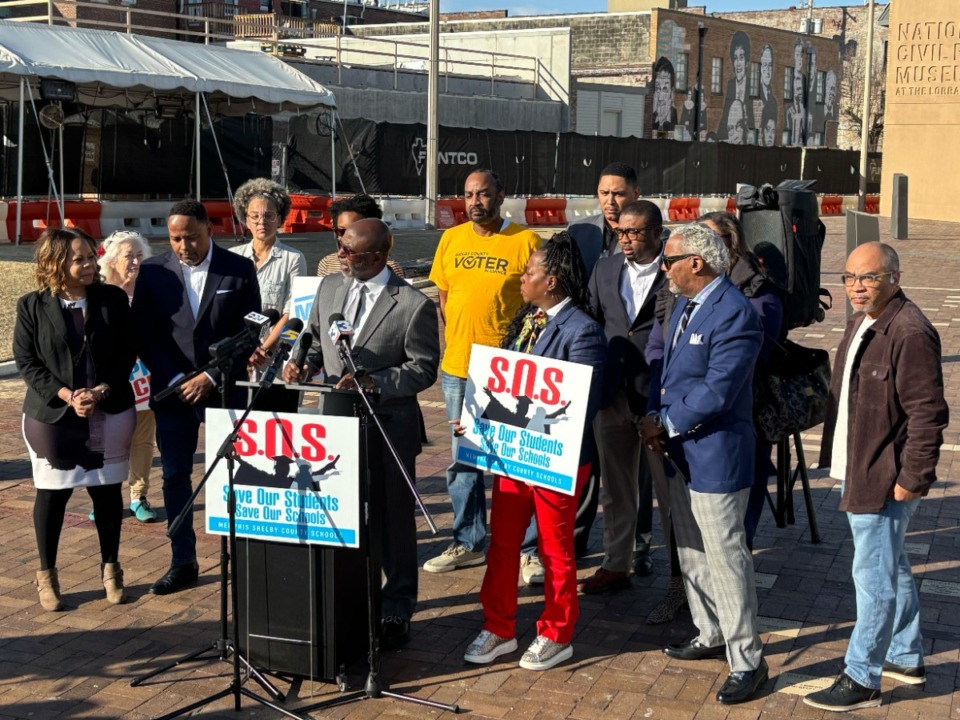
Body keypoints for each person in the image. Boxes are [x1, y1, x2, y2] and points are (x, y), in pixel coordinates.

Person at [803, 243, 948, 712]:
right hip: (860, 467)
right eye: (849, 278)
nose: (857, 287)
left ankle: (862, 676)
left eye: (869, 278)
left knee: (873, 577)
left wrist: (913, 477)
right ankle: (905, 656)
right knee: (890, 565)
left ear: (895, 277)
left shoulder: (909, 331)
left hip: (885, 477)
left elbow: (928, 414)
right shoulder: (863, 322)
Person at [284, 218, 439, 650]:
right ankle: (350, 594)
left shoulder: (411, 304)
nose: (342, 257)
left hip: (388, 424)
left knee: (391, 519)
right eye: (341, 247)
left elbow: (423, 368)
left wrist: (375, 382)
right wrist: (301, 362)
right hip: (335, 420)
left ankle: (397, 604)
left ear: (379, 256)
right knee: (342, 511)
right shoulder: (331, 287)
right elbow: (314, 340)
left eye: (351, 252)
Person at [462, 233, 606, 671]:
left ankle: (556, 633)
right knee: (503, 545)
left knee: (555, 550)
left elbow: (581, 404)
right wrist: (476, 418)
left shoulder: (583, 331)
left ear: (554, 280)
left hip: (555, 461)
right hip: (512, 458)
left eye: (530, 273)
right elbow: (502, 386)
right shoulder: (527, 319)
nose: (521, 278)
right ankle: (499, 627)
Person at [640, 223, 768, 706]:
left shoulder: (734, 313)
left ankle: (748, 660)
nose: (663, 268)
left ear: (697, 262)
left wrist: (665, 423)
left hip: (715, 453)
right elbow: (666, 370)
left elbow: (718, 389)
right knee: (691, 549)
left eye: (669, 260)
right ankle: (709, 631)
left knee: (725, 557)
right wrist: (655, 415)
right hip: (677, 452)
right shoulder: (682, 305)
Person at [133, 200, 261, 595]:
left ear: (210, 229)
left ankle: (247, 558)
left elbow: (251, 331)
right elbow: (145, 333)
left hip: (224, 388)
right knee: (174, 476)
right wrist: (175, 378)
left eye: (191, 236)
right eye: (175, 238)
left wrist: (210, 375)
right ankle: (182, 559)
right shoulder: (154, 272)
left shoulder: (238, 269)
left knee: (239, 475)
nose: (183, 245)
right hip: (173, 393)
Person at [424, 169, 540, 574]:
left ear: (501, 195)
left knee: (518, 464)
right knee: (462, 461)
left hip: (508, 370)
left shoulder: (525, 241)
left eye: (484, 194)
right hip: (458, 367)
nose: (476, 201)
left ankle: (527, 550)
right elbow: (444, 298)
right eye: (470, 194)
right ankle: (469, 541)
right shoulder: (450, 239)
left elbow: (537, 303)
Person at [14, 228, 138, 610]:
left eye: (90, 256)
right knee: (52, 494)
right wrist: (69, 396)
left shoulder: (112, 299)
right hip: (53, 415)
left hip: (109, 407)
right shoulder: (31, 305)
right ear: (55, 264)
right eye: (79, 259)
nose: (89, 265)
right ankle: (47, 575)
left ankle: (111, 569)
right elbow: (27, 362)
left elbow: (126, 352)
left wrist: (99, 391)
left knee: (106, 492)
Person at [578, 201, 664, 595]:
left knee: (669, 490)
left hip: (658, 396)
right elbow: (592, 322)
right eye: (621, 233)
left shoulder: (674, 270)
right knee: (616, 486)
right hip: (611, 393)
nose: (625, 240)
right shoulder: (605, 268)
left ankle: (683, 573)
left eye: (634, 233)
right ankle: (617, 563)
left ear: (656, 233)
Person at [699, 212, 783, 548]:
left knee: (739, 516)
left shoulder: (759, 292)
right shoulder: (697, 284)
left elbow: (747, 359)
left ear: (730, 243)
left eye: (707, 239)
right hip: (707, 409)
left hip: (748, 409)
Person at [97, 231, 157, 523]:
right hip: (111, 379)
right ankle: (106, 496)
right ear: (111, 260)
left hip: (146, 377)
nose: (135, 261)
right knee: (109, 441)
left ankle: (139, 495)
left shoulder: (150, 291)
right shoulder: (98, 293)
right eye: (128, 256)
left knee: (143, 441)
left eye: (139, 255)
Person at [230, 178, 307, 352]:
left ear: (280, 219)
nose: (261, 222)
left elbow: (291, 312)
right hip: (236, 351)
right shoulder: (234, 255)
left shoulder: (293, 258)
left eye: (269, 216)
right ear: (246, 220)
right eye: (255, 216)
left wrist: (263, 349)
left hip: (271, 353)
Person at [566, 162, 640, 276]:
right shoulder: (576, 231)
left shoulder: (654, 235)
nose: (610, 201)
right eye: (604, 193)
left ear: (635, 194)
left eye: (618, 194)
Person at [316, 194, 405, 279]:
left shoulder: (389, 268)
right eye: (341, 231)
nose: (345, 237)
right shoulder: (327, 264)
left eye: (355, 232)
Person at [718, 31, 750, 141]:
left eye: (741, 57)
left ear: (747, 61)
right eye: (735, 58)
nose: (738, 63)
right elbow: (724, 118)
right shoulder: (730, 85)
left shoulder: (752, 87)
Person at [651, 56, 677, 133]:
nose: (661, 98)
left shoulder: (673, 116)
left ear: (672, 92)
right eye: (658, 89)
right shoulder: (649, 117)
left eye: (665, 89)